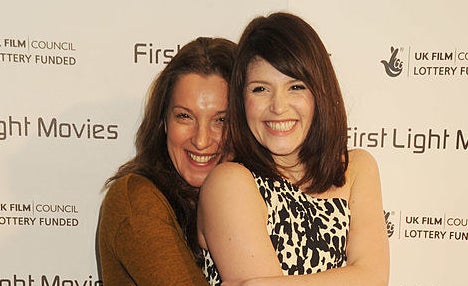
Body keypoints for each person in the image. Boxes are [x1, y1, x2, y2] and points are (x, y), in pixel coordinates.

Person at [197, 12, 389, 286]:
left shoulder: (356, 169)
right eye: (260, 89)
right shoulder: (228, 183)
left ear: (320, 94)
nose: (278, 106)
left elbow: (374, 277)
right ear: (241, 100)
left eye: (296, 87)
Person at [98, 36, 236, 285]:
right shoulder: (137, 199)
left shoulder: (253, 196)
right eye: (185, 116)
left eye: (221, 120)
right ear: (163, 122)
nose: (202, 140)